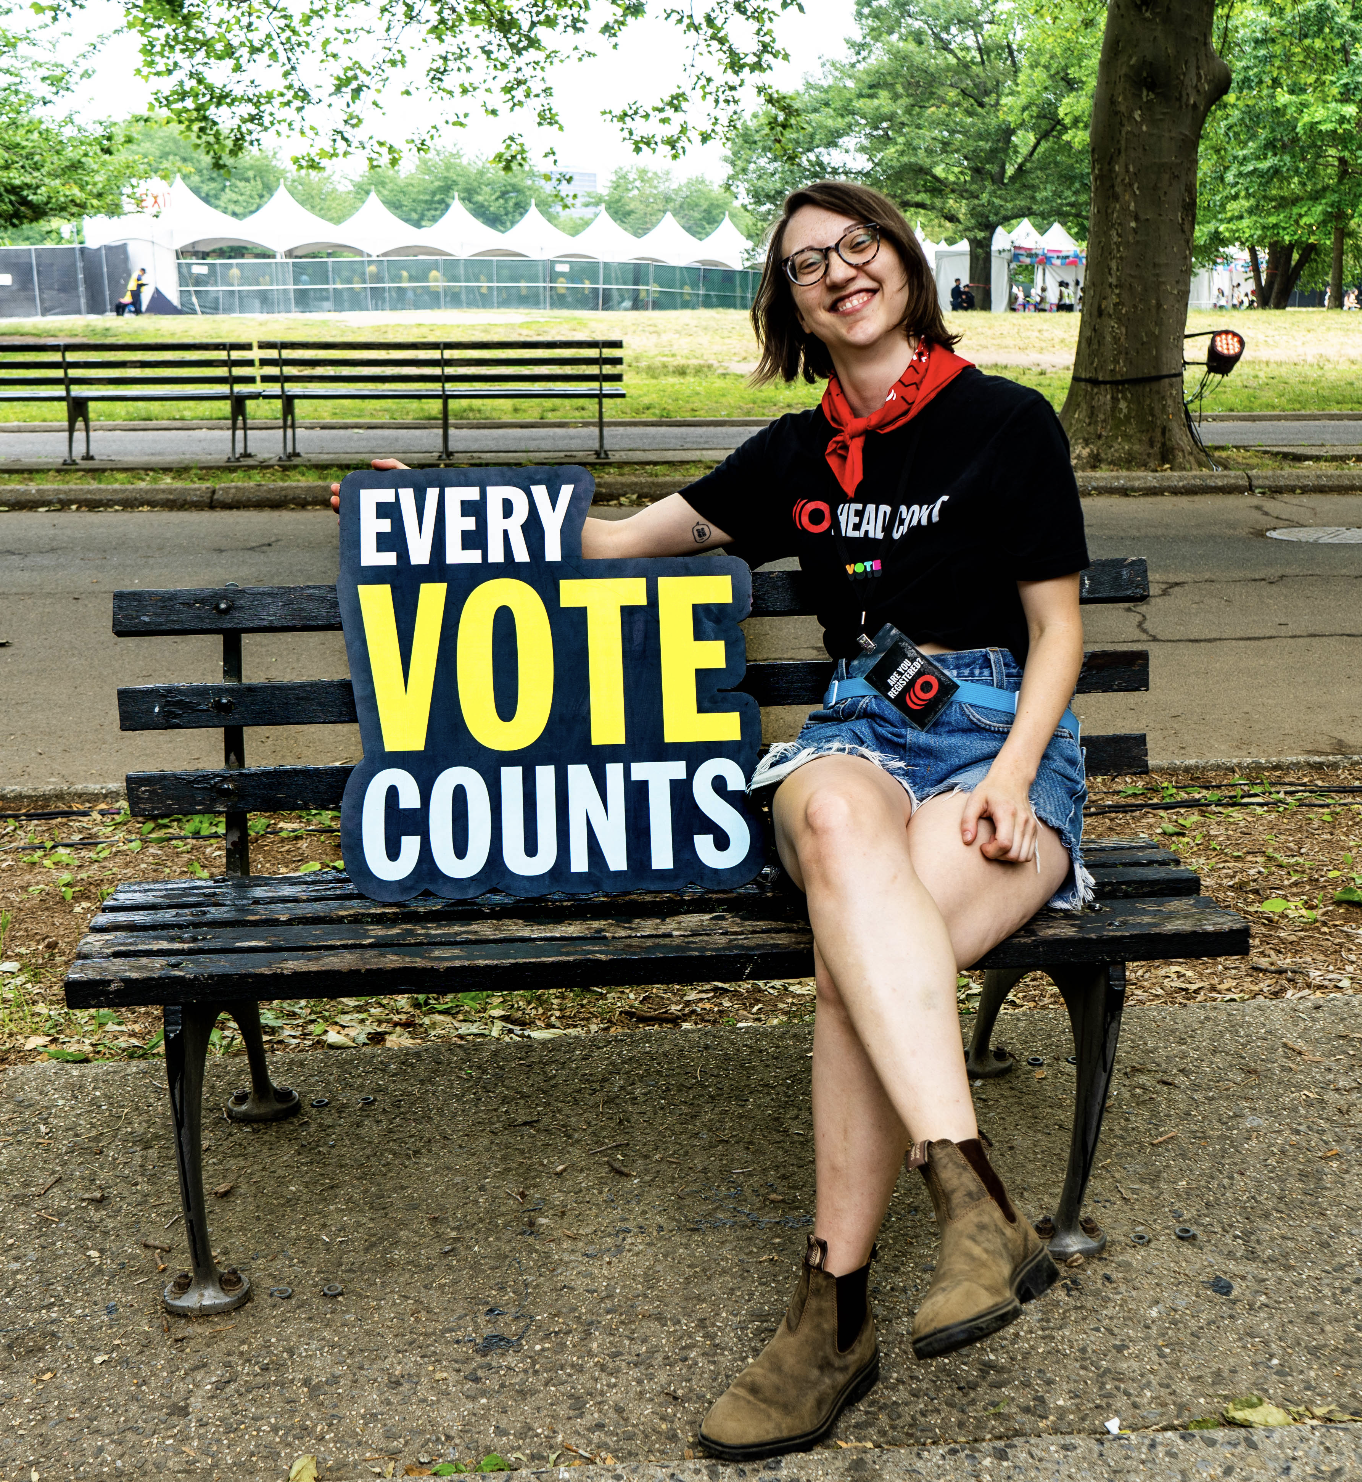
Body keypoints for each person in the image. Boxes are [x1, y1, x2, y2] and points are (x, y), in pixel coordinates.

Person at [330, 178, 1089, 1462]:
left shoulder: (1007, 423)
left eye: (859, 246)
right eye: (807, 264)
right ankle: (969, 1196)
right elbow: (615, 539)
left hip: (994, 733)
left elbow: (1059, 628)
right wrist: (433, 513)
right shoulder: (792, 455)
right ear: (788, 303)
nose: (840, 271)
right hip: (856, 734)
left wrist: (1013, 774)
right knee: (846, 846)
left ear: (903, 261)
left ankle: (828, 1315)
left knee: (859, 966)